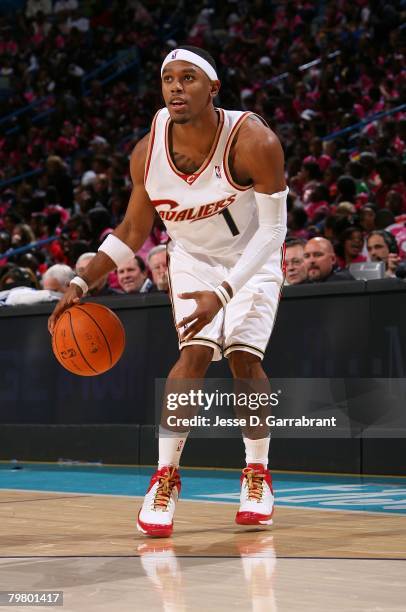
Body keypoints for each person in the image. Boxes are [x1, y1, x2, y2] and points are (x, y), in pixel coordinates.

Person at [49, 46, 287, 537]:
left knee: (244, 358)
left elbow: (272, 232)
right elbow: (133, 230)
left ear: (213, 88)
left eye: (189, 78)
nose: (176, 87)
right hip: (193, 261)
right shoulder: (148, 150)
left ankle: (258, 473)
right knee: (193, 355)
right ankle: (166, 475)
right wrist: (80, 280)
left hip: (251, 258)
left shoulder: (253, 140)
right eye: (168, 79)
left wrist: (225, 293)